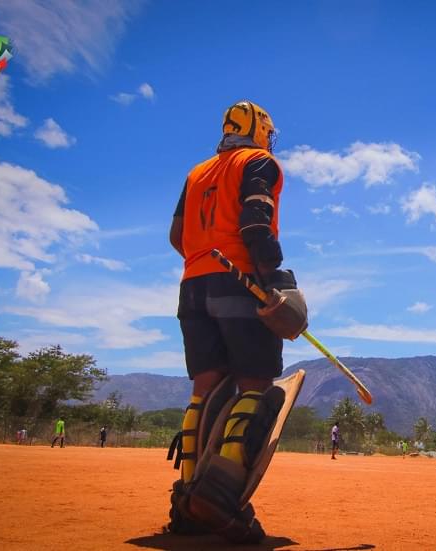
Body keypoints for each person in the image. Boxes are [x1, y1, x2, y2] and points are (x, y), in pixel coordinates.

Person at [166, 101, 307, 543]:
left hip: (193, 286)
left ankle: (187, 500)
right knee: (255, 387)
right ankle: (221, 495)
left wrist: (203, 259)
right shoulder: (258, 161)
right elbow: (255, 224)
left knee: (204, 391)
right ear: (261, 131)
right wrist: (273, 282)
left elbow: (177, 235)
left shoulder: (197, 173)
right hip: (239, 283)